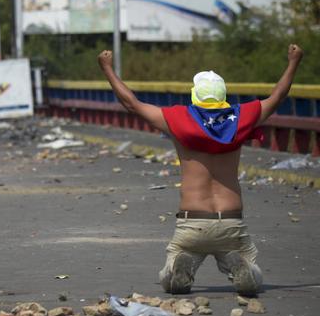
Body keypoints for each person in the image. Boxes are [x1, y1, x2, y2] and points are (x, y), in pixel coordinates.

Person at [97, 44, 304, 296]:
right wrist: (293, 61)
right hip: (230, 222)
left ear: (195, 95)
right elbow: (278, 96)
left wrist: (106, 68)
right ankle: (243, 268)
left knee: (170, 274)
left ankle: (177, 271)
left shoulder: (178, 119)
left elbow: (132, 104)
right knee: (249, 268)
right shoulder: (242, 117)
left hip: (192, 222)